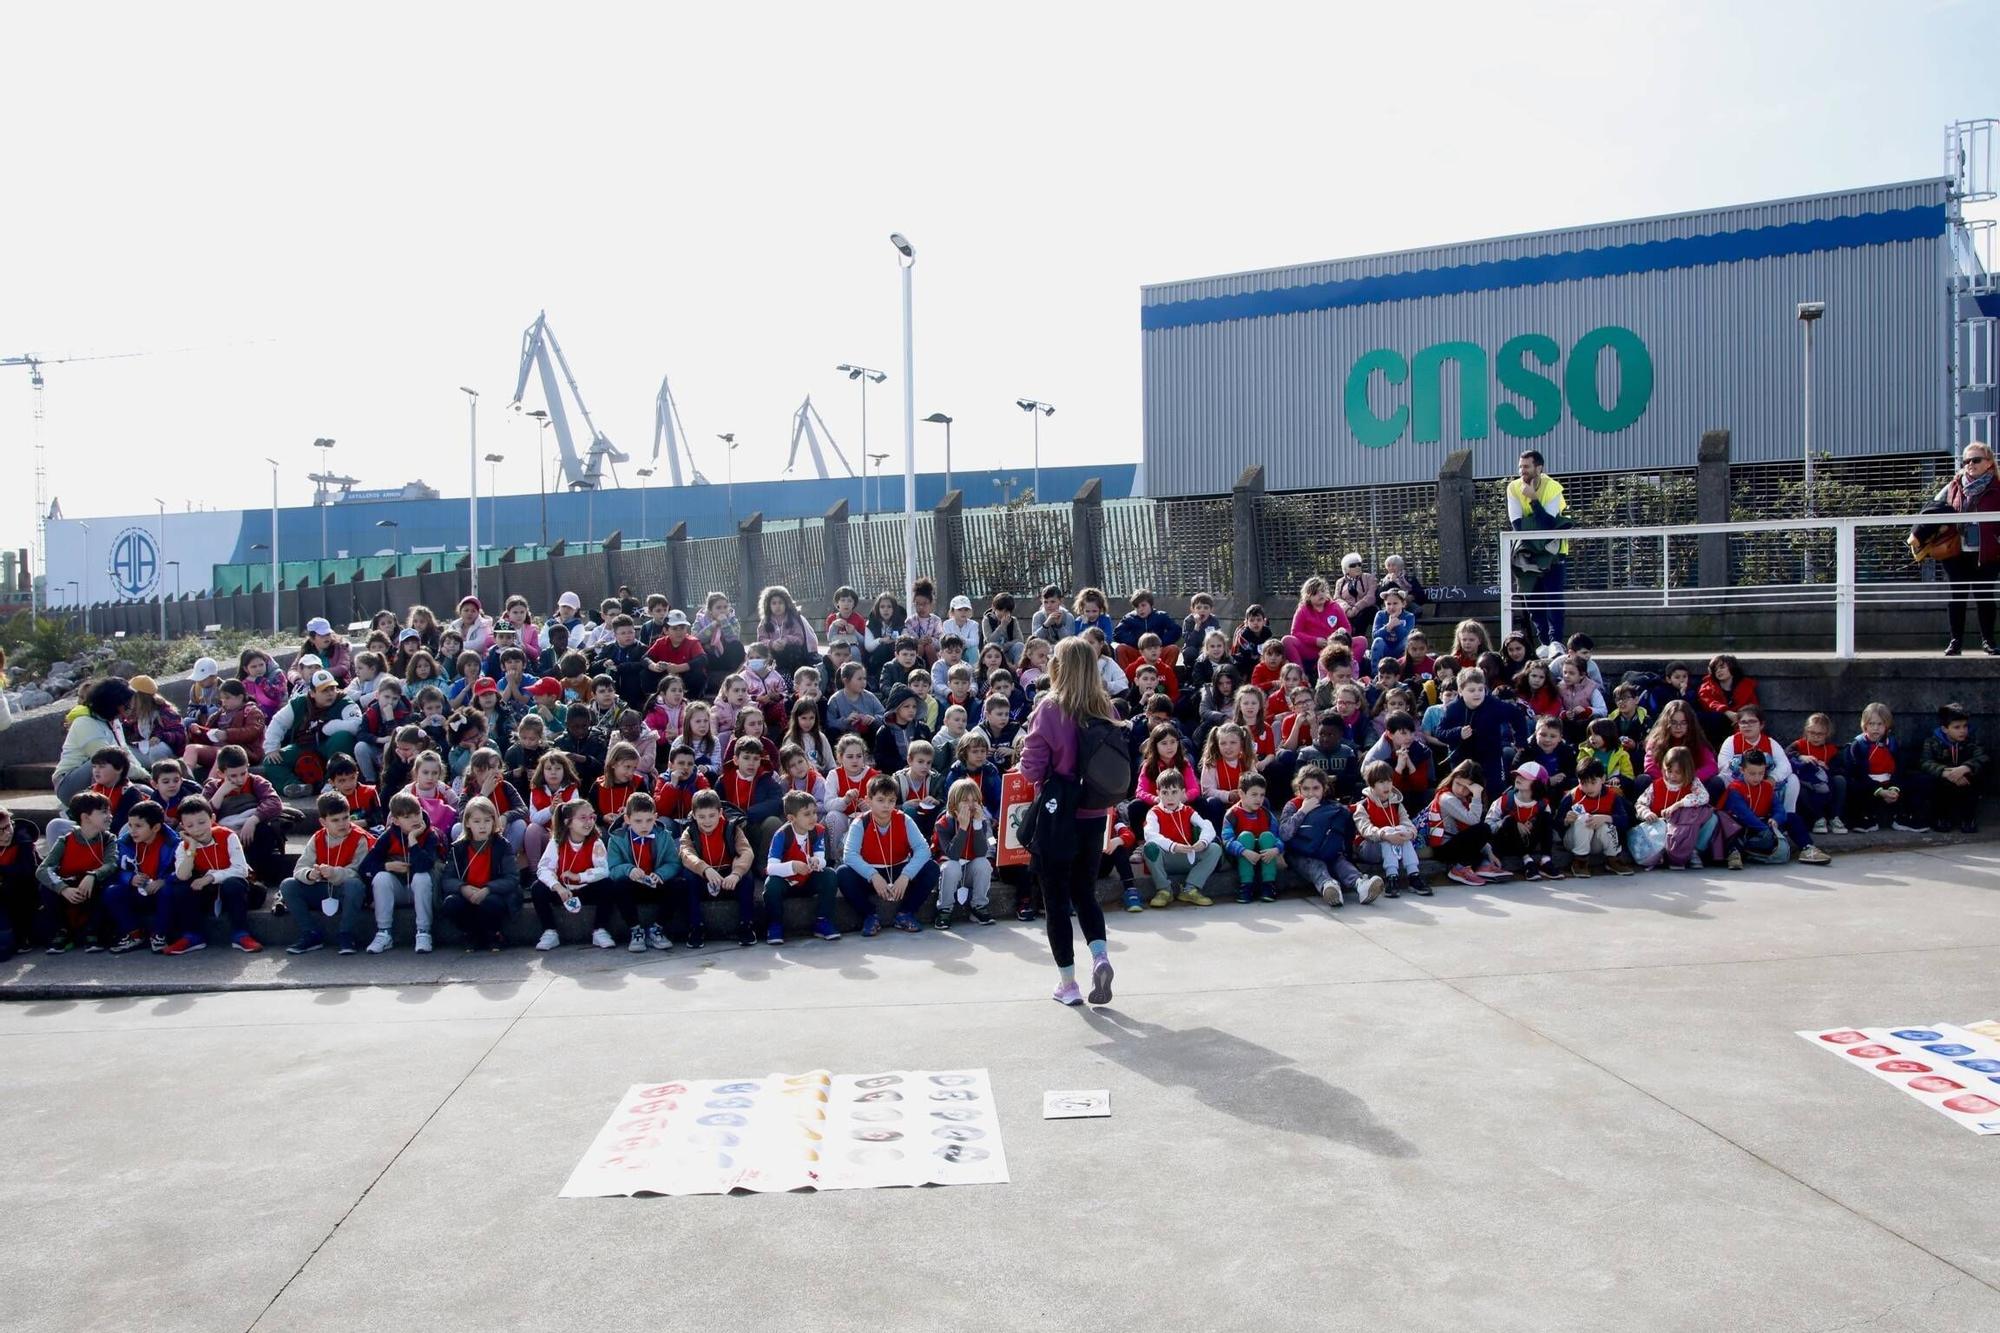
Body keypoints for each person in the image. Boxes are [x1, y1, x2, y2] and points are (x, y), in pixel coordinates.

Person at [1018, 635, 1121, 1007]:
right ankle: (1101, 956)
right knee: (1085, 893)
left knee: (1056, 900)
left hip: (1057, 814)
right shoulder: (1105, 706)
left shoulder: (1049, 708)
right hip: (1095, 814)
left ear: (1056, 668)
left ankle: (1068, 985)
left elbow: (1031, 770)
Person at [280, 791, 376, 955]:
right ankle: (310, 934)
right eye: (335, 820)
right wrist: (310, 874)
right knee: (288, 885)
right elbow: (300, 868)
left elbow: (359, 872)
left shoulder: (360, 838)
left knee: (354, 885)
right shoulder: (317, 838)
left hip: (347, 892)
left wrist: (334, 873)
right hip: (323, 889)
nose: (342, 824)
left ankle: (345, 933)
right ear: (323, 822)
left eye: (346, 818)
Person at [165, 795, 262, 954]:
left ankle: (241, 934)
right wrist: (193, 847)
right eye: (190, 825)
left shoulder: (228, 835)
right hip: (207, 894)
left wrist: (210, 877)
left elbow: (241, 869)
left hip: (236, 890)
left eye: (202, 822)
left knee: (233, 883)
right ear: (183, 827)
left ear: (212, 818)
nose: (197, 829)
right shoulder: (184, 846)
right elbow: (182, 875)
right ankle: (193, 936)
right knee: (180, 887)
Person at [357, 790, 449, 954]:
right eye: (407, 817)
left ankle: (423, 931)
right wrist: (387, 866)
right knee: (381, 878)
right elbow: (365, 866)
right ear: (396, 820)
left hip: (424, 889)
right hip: (399, 888)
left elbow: (424, 865)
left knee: (421, 877)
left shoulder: (430, 835)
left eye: (417, 813)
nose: (414, 819)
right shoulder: (388, 836)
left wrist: (413, 840)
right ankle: (384, 932)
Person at [533, 797, 630, 951]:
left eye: (592, 817)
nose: (589, 822)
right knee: (538, 888)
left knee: (607, 885)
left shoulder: (596, 842)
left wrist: (580, 877)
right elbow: (543, 868)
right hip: (564, 892)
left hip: (586, 889)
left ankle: (600, 930)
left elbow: (604, 870)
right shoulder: (557, 842)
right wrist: (557, 887)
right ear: (567, 822)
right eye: (583, 818)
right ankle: (550, 931)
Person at [1278, 762, 1378, 904]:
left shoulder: (1330, 806)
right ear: (1299, 788)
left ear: (1324, 789)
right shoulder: (1293, 805)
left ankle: (1361, 884)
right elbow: (1284, 834)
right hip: (1300, 853)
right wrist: (1303, 811)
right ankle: (1328, 886)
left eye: (1316, 788)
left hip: (1325, 850)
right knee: (1315, 865)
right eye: (1305, 789)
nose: (1311, 793)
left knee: (1339, 861)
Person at [1935, 439, 2000, 655]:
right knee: (1957, 596)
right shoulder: (1954, 485)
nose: (1969, 464)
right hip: (1956, 552)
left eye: (1975, 460)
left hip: (1987, 552)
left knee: (1985, 596)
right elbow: (1933, 507)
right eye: (1966, 461)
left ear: (1989, 463)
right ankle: (1955, 642)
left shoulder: (1997, 488)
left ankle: (1988, 641)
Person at [36, 791, 117, 953]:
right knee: (45, 888)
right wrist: (63, 888)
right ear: (85, 817)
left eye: (109, 811)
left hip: (92, 889)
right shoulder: (66, 840)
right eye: (104, 812)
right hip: (70, 890)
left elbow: (112, 863)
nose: (110, 816)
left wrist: (93, 875)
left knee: (106, 886)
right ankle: (62, 931)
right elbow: (43, 869)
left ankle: (92, 931)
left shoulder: (108, 839)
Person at [1506, 449, 1569, 649]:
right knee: (1532, 600)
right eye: (1520, 466)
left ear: (1538, 468)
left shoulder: (1553, 487)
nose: (1522, 471)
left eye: (1526, 466)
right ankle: (1544, 643)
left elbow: (1549, 525)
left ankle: (1556, 642)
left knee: (1553, 598)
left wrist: (1533, 499)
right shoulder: (1513, 487)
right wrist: (1535, 528)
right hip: (1528, 553)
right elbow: (1516, 524)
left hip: (1553, 553)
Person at [762, 790, 843, 944]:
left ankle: (823, 920)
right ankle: (775, 924)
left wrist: (817, 862)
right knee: (771, 884)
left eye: (814, 812)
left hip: (807, 880)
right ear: (792, 818)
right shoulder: (781, 835)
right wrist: (793, 866)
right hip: (786, 882)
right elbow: (771, 868)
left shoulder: (818, 831)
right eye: (807, 814)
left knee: (829, 874)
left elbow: (822, 858)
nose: (813, 817)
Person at [260, 670, 362, 791]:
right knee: (271, 761)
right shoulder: (299, 703)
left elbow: (356, 725)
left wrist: (328, 727)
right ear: (312, 693)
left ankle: (332, 783)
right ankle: (295, 786)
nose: (330, 694)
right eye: (324, 690)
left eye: (332, 689)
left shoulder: (344, 702)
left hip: (329, 747)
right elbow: (278, 722)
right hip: (305, 745)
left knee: (343, 737)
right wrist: (271, 747)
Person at [603, 791, 679, 952]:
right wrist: (628, 870)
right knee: (618, 885)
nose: (644, 826)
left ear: (656, 817)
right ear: (627, 819)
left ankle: (657, 929)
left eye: (649, 820)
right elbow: (612, 869)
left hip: (655, 883)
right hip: (633, 885)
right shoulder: (616, 838)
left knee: (679, 885)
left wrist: (660, 874)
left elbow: (673, 863)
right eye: (638, 821)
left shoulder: (664, 836)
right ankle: (635, 929)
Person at [53, 677, 146, 803]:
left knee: (143, 790)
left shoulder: (114, 722)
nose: (129, 707)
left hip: (106, 773)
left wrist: (146, 775)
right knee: (105, 760)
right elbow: (111, 760)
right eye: (126, 704)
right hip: (69, 784)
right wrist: (143, 776)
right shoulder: (85, 723)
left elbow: (126, 752)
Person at [931, 777, 993, 928]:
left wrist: (978, 826)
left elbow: (981, 852)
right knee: (951, 866)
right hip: (951, 874)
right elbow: (952, 854)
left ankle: (978, 906)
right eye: (965, 800)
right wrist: (963, 828)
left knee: (983, 863)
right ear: (953, 804)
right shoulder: (943, 823)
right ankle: (944, 909)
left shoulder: (981, 821)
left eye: (975, 800)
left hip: (969, 872)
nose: (971, 805)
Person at [1353, 761, 1421, 898]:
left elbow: (1408, 823)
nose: (1387, 786)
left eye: (1389, 781)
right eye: (1381, 782)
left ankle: (1414, 876)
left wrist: (1410, 834)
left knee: (1402, 829)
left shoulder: (1396, 803)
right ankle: (1391, 878)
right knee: (1387, 831)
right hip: (1369, 848)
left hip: (1394, 846)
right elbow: (1365, 829)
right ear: (1372, 785)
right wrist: (1385, 835)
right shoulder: (1364, 805)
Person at [1920, 702, 1987, 834]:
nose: (1963, 731)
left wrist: (1965, 768)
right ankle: (1941, 818)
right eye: (1957, 727)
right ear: (1945, 729)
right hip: (1945, 781)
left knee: (1976, 780)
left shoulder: (1972, 741)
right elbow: (1925, 762)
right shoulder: (1932, 742)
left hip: (1966, 780)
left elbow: (1983, 758)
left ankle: (1968, 819)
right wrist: (1946, 772)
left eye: (1965, 726)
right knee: (1935, 784)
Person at [1559, 761, 1633, 877]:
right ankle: (1580, 861)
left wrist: (1605, 818)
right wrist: (1566, 820)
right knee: (1583, 820)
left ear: (1603, 779)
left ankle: (1613, 859)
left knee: (1606, 825)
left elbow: (1625, 821)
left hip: (1597, 843)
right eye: (1583, 783)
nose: (1588, 788)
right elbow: (1556, 823)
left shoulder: (1613, 795)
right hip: (1574, 841)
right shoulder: (1572, 796)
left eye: (1593, 782)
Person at [1222, 772, 1285, 903]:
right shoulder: (1231, 815)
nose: (1259, 799)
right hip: (1241, 855)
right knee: (1245, 837)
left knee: (1268, 836)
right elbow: (1227, 841)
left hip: (1264, 856)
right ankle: (1246, 885)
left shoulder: (1267, 814)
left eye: (1262, 795)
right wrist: (1244, 851)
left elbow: (1278, 837)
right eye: (1254, 794)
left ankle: (1269, 884)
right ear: (1241, 793)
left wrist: (1276, 849)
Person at [1283, 576, 1351, 674]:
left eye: (1322, 591)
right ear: (1308, 596)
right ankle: (1300, 674)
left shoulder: (1335, 606)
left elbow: (1347, 628)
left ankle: (1347, 673)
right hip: (1310, 649)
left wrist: (1337, 638)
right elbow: (1295, 632)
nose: (1321, 594)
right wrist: (1315, 641)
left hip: (1333, 648)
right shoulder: (1303, 610)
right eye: (1315, 593)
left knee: (1361, 641)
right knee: (1287, 640)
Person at [756, 586, 821, 679]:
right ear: (768, 605)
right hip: (773, 654)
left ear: (786, 604)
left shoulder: (793, 619)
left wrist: (786, 640)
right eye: (774, 603)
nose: (777, 606)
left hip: (791, 655)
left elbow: (800, 638)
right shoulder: (765, 622)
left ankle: (793, 675)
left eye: (780, 603)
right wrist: (772, 643)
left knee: (792, 650)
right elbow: (761, 640)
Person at [1333, 554, 1379, 628]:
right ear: (1346, 568)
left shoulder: (1369, 577)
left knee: (1369, 611)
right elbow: (1337, 599)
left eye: (1359, 564)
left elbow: (1371, 596)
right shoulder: (1340, 582)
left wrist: (1356, 608)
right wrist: (1347, 609)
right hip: (1347, 611)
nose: (1357, 567)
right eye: (1353, 565)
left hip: (1364, 609)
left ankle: (1357, 636)